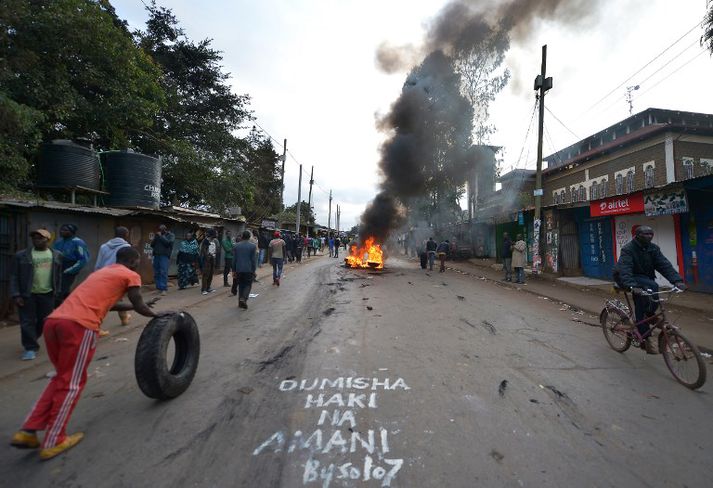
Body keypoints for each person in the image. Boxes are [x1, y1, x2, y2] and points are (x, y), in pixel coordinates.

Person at [10, 246, 164, 460]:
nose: (139, 264)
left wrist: (140, 306)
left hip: (54, 323)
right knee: (72, 382)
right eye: (138, 260)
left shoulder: (102, 272)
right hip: (79, 327)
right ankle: (54, 440)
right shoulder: (131, 274)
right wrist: (157, 315)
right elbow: (138, 304)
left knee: (61, 378)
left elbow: (109, 304)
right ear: (133, 261)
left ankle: (28, 430)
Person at [615, 225, 686, 354]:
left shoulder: (653, 248)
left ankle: (649, 313)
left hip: (645, 279)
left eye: (650, 234)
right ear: (637, 235)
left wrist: (677, 280)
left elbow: (663, 264)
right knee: (647, 297)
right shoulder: (628, 249)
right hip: (630, 278)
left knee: (652, 292)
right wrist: (632, 286)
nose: (649, 237)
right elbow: (625, 269)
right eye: (645, 234)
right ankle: (645, 339)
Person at [10, 229, 63, 361]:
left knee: (44, 321)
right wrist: (16, 295)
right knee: (27, 321)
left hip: (48, 293)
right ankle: (30, 347)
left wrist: (58, 293)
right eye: (34, 238)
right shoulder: (21, 255)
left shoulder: (56, 255)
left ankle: (32, 337)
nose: (36, 240)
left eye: (40, 238)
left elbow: (59, 276)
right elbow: (14, 276)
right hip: (27, 294)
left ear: (48, 240)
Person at [94, 226, 132, 326]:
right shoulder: (126, 247)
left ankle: (124, 318)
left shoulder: (104, 246)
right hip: (118, 277)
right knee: (119, 299)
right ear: (126, 235)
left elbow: (98, 264)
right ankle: (122, 319)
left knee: (103, 301)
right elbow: (127, 264)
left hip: (103, 276)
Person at [52, 224, 89, 303]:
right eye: (61, 229)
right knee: (60, 290)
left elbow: (83, 259)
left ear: (72, 232)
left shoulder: (78, 242)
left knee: (60, 291)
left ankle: (56, 309)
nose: (62, 231)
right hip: (57, 268)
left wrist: (70, 270)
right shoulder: (59, 242)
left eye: (65, 230)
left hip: (69, 268)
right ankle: (69, 307)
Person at [232, 230, 258, 309]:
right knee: (248, 285)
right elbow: (253, 260)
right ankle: (244, 298)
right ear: (249, 237)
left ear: (242, 236)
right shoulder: (253, 246)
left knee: (241, 285)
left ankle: (240, 302)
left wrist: (233, 270)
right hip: (248, 269)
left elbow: (234, 259)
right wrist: (254, 270)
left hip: (239, 269)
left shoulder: (236, 246)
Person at [150, 224, 174, 295]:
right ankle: (158, 288)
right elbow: (152, 245)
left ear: (165, 229)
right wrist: (156, 237)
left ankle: (163, 289)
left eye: (161, 229)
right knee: (157, 272)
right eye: (159, 229)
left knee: (163, 272)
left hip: (164, 256)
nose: (160, 231)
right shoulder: (158, 235)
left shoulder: (171, 235)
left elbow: (168, 243)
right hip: (156, 255)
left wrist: (161, 236)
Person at [200, 229, 218, 295]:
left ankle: (208, 287)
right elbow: (203, 250)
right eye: (216, 233)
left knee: (210, 274)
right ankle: (203, 289)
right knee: (205, 274)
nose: (217, 234)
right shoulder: (206, 241)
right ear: (212, 234)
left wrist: (213, 256)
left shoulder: (214, 241)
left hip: (212, 258)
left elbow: (214, 250)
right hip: (207, 259)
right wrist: (207, 258)